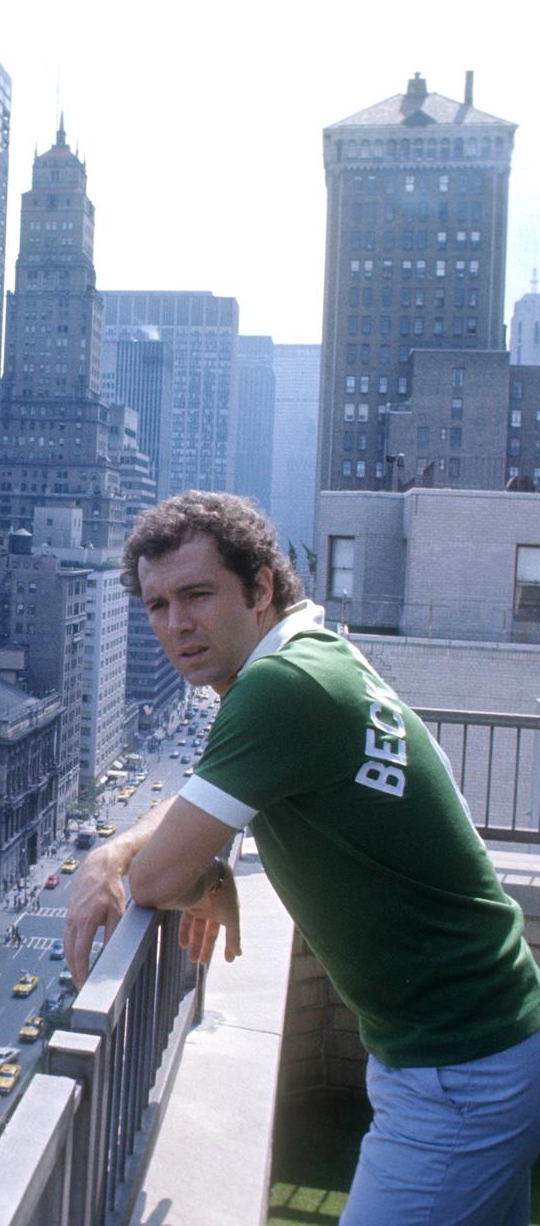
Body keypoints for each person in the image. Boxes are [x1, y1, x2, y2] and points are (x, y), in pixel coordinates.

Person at [64, 490, 540, 1225]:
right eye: (157, 605)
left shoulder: (281, 691)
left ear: (260, 588)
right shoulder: (313, 656)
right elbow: (201, 796)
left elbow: (159, 880)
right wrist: (134, 849)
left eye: (197, 594)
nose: (176, 624)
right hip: (474, 1037)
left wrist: (155, 865)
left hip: (456, 1066)